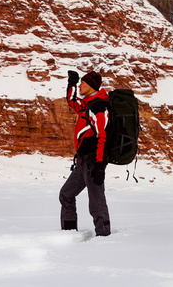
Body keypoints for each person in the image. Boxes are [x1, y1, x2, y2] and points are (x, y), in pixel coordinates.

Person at [59, 70, 111, 237]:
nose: (80, 85)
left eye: (83, 83)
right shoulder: (86, 105)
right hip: (82, 162)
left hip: (94, 163)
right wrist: (71, 84)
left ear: (91, 86)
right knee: (66, 194)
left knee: (96, 203)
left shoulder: (98, 107)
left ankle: (104, 238)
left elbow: (103, 136)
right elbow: (71, 101)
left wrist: (100, 166)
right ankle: (68, 234)